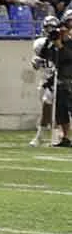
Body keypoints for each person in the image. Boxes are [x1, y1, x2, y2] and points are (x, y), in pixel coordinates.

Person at [36, 10, 72, 147]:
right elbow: (45, 56)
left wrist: (60, 45)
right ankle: (65, 137)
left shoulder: (68, 41)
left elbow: (68, 57)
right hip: (60, 79)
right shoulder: (51, 41)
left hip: (69, 77)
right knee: (61, 110)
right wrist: (52, 41)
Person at [30, 16, 59, 147]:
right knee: (47, 107)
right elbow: (36, 65)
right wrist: (36, 62)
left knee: (48, 105)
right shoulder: (40, 43)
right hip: (45, 79)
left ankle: (41, 136)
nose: (50, 30)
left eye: (52, 27)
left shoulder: (61, 43)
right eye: (48, 27)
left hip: (58, 79)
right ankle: (52, 134)